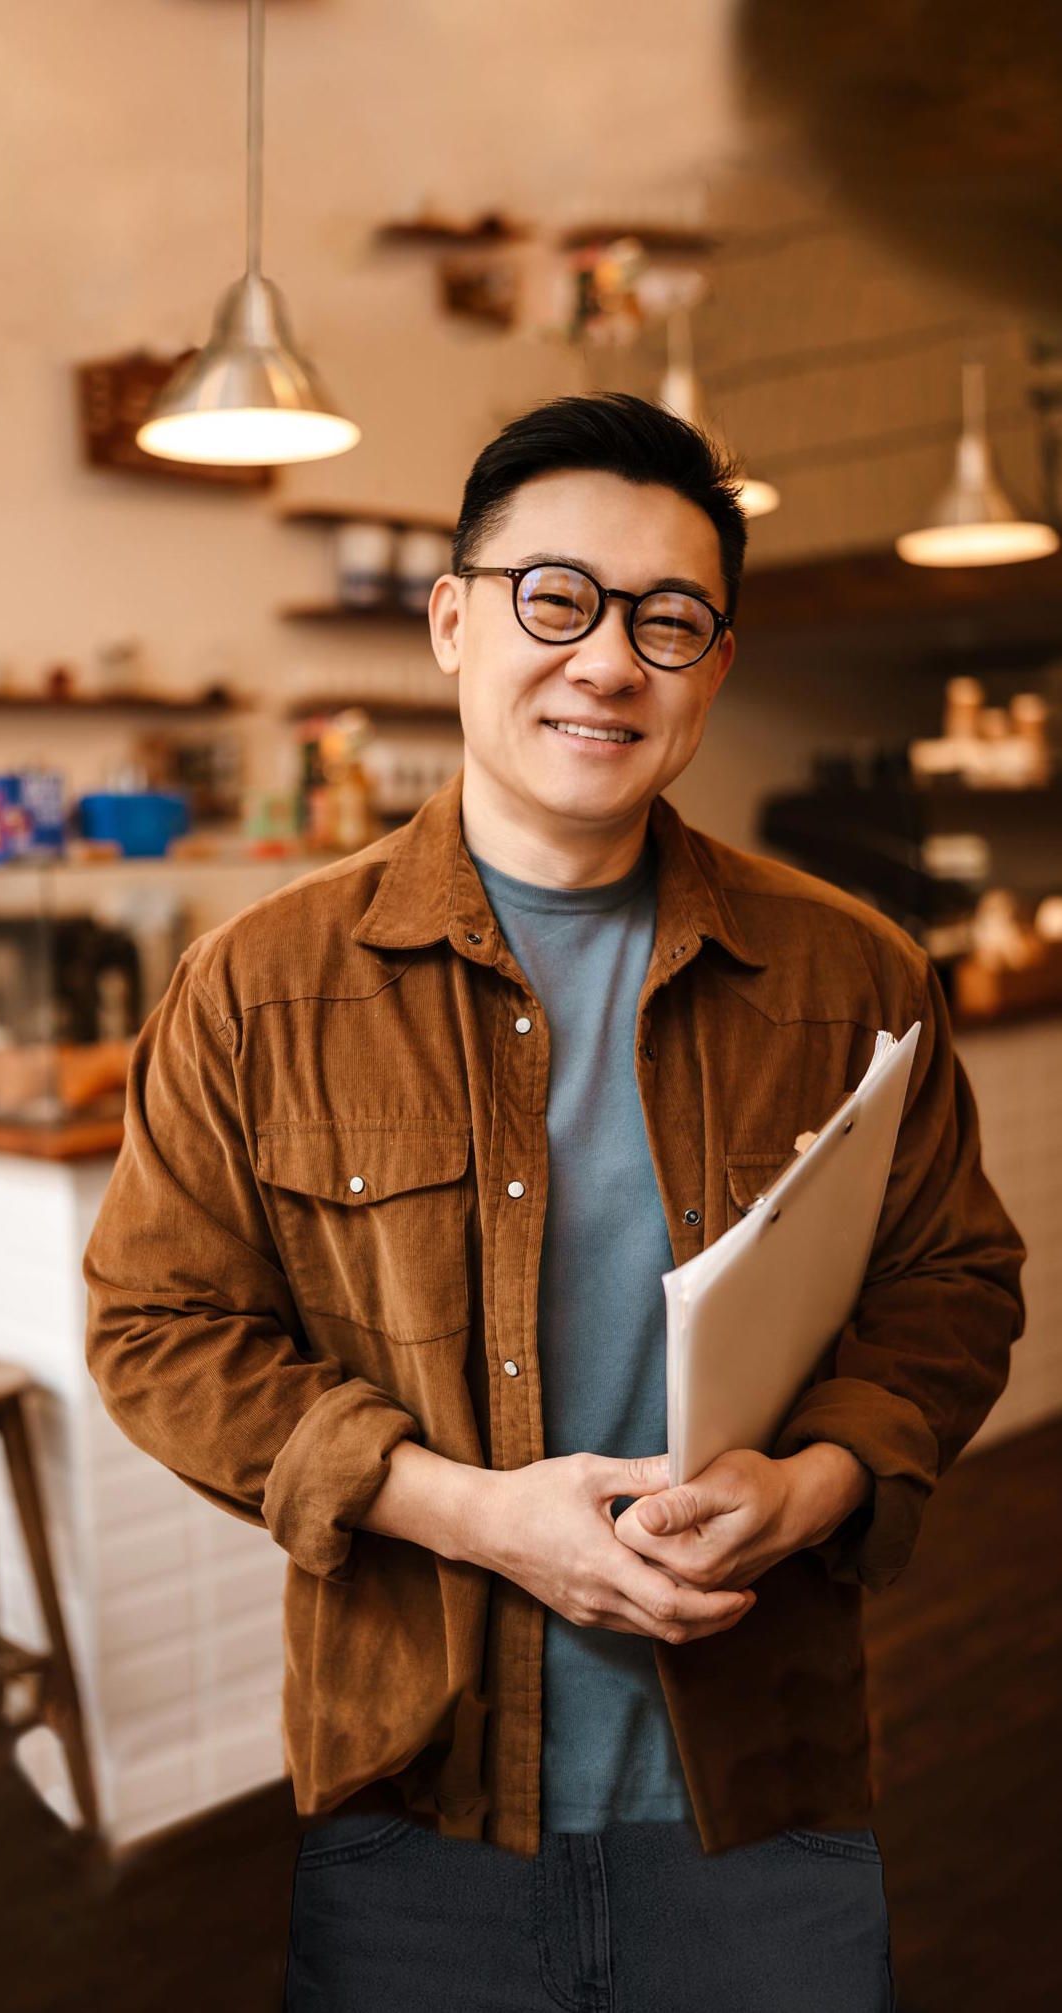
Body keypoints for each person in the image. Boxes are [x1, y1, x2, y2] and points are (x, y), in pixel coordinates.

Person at [83, 393, 1026, 2011]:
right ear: (452, 621)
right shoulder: (259, 986)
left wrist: (813, 1481)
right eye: (555, 597)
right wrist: (468, 1512)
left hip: (763, 1789)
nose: (606, 661)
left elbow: (954, 1280)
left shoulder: (850, 971)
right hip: (417, 1786)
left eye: (669, 619)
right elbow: (157, 1325)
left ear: (713, 669)